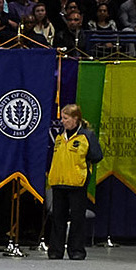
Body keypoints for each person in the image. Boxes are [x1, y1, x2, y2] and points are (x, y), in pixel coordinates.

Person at [45, 104, 102, 260]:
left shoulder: (86, 136)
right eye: (62, 118)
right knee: (58, 218)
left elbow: (97, 155)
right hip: (58, 182)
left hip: (77, 183)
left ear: (75, 119)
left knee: (77, 218)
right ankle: (55, 250)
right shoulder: (59, 137)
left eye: (66, 118)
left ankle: (76, 250)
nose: (63, 121)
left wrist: (80, 167)